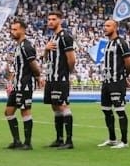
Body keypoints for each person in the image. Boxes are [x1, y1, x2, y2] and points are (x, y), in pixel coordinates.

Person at [42, 11, 77, 149]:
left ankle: (69, 141)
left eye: (53, 19)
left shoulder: (65, 36)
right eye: (49, 19)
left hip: (60, 77)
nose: (50, 21)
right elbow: (46, 59)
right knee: (55, 106)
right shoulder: (53, 37)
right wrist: (45, 49)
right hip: (51, 78)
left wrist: (66, 74)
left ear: (60, 20)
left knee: (63, 105)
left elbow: (71, 59)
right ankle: (59, 139)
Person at [4, 18, 40, 150]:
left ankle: (27, 143)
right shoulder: (18, 46)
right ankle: (16, 141)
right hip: (17, 84)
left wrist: (38, 77)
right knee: (8, 112)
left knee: (25, 111)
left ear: (23, 30)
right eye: (11, 29)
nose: (12, 32)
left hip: (25, 84)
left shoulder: (27, 46)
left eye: (15, 29)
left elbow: (34, 66)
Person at [98, 18, 130, 148]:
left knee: (119, 110)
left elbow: (129, 63)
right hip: (106, 82)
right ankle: (112, 139)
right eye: (104, 25)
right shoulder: (107, 43)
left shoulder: (121, 43)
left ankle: (124, 141)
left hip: (117, 81)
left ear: (115, 27)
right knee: (106, 110)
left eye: (108, 25)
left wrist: (124, 76)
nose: (105, 28)